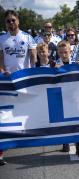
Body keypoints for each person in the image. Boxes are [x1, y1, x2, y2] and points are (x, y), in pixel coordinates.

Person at [0, 10, 37, 165]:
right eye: (8, 21)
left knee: (30, 112)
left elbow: (34, 57)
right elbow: (0, 59)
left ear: (18, 21)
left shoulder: (27, 37)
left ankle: (61, 139)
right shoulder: (2, 39)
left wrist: (34, 73)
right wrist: (2, 71)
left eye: (13, 20)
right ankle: (1, 151)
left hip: (24, 82)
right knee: (5, 115)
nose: (11, 23)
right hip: (8, 82)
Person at [54, 41, 79, 156]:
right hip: (61, 96)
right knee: (63, 122)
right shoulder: (55, 65)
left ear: (70, 51)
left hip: (75, 96)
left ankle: (78, 144)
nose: (63, 55)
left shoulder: (77, 63)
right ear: (58, 52)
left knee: (76, 120)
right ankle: (65, 142)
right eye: (61, 52)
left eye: (66, 52)